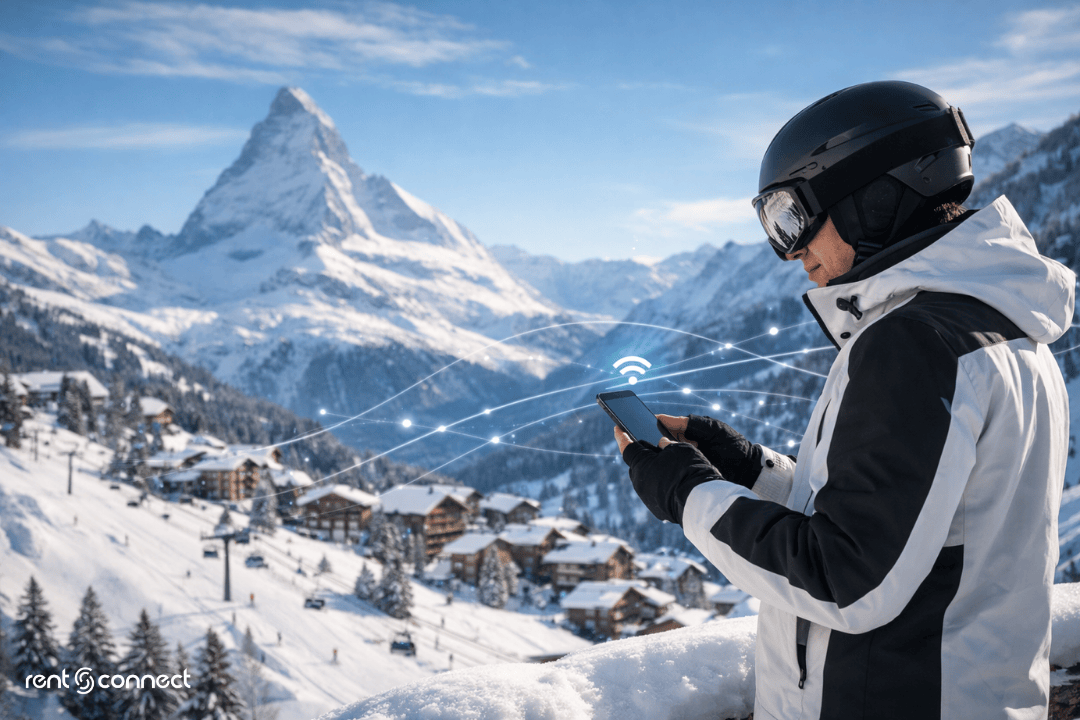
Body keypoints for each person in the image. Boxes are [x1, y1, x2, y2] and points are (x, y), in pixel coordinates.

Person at [616, 80, 1074, 720]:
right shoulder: (1003, 331)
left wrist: (685, 492)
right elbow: (915, 523)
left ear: (871, 197)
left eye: (794, 216)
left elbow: (844, 578)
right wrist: (747, 469)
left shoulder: (913, 344)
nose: (791, 249)